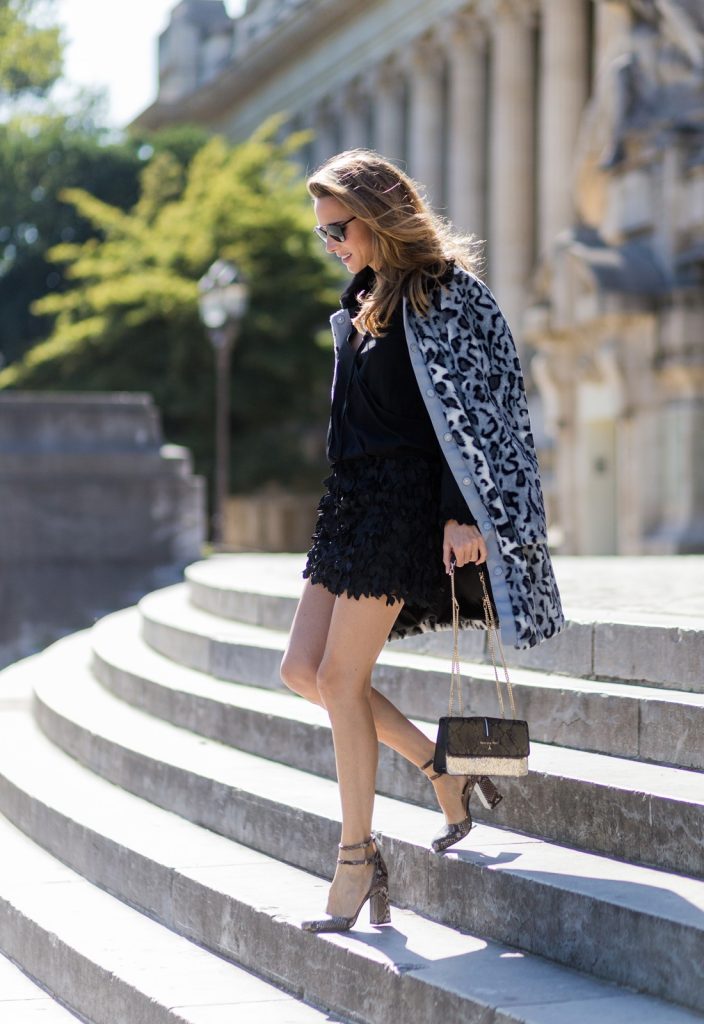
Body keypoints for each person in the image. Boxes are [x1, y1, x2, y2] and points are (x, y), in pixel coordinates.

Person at [280, 150, 564, 934]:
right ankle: (441, 766)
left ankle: (356, 857)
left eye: (338, 228)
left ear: (377, 214)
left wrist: (463, 511)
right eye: (322, 235)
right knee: (301, 670)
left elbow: (490, 409)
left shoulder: (446, 292)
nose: (332, 243)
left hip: (409, 506)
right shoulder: (364, 297)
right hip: (352, 503)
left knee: (341, 677)